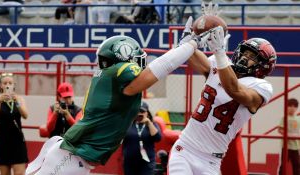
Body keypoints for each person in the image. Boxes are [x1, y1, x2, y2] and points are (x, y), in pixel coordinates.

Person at [26, 24, 211, 174]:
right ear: (124, 57)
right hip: (71, 158)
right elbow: (156, 71)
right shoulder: (118, 74)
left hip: (72, 156)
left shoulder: (110, 78)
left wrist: (184, 47)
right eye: (136, 59)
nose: (140, 63)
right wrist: (189, 46)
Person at [168, 17, 277, 175]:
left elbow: (234, 90)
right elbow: (192, 57)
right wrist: (187, 43)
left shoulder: (262, 87)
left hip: (211, 160)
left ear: (263, 66)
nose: (245, 57)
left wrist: (219, 53)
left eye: (253, 57)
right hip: (185, 149)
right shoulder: (220, 62)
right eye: (245, 52)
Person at [0, 73, 28, 175]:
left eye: (10, 83)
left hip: (17, 141)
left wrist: (16, 101)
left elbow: (25, 115)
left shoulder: (20, 99)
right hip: (3, 142)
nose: (7, 85)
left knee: (19, 173)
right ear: (1, 86)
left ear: (14, 85)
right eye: (5, 83)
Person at [123, 101, 162, 175]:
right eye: (137, 111)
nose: (139, 114)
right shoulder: (128, 123)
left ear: (147, 113)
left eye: (142, 111)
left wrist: (149, 123)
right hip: (130, 162)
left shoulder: (152, 124)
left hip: (147, 162)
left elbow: (158, 138)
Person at [278, 98, 300, 175]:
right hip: (286, 146)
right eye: (290, 106)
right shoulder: (284, 118)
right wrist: (288, 135)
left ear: (297, 108)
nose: (292, 108)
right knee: (283, 164)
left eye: (294, 106)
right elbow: (280, 130)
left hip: (296, 146)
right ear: (286, 107)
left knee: (297, 164)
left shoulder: (298, 119)